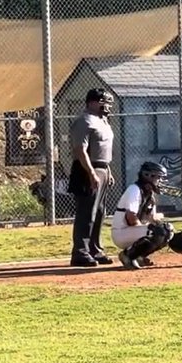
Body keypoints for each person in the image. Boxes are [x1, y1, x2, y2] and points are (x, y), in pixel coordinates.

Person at [68, 88, 116, 267]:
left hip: (102, 169)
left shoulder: (103, 121)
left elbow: (103, 150)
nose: (107, 106)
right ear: (91, 103)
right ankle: (80, 252)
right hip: (86, 170)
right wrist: (91, 173)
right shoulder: (84, 121)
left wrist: (108, 171)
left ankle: (96, 249)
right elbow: (80, 150)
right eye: (103, 102)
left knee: (99, 212)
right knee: (86, 212)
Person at [112, 161, 174, 269]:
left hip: (130, 230)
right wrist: (145, 232)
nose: (160, 181)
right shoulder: (134, 189)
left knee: (166, 230)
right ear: (149, 176)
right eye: (158, 178)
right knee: (158, 232)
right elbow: (131, 218)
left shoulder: (149, 195)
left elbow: (152, 218)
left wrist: (171, 235)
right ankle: (128, 255)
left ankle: (139, 257)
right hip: (121, 232)